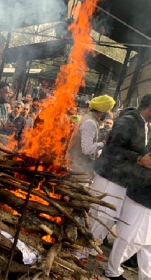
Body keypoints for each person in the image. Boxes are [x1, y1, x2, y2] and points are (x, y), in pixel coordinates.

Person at [94, 95, 151, 280]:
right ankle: (80, 252)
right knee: (100, 217)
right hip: (110, 177)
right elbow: (112, 149)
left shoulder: (143, 124)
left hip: (122, 180)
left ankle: (89, 249)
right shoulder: (129, 121)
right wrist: (138, 159)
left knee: (107, 218)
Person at [67, 95, 115, 175]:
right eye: (108, 111)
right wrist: (104, 143)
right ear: (102, 112)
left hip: (75, 164)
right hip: (78, 168)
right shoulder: (90, 122)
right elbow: (87, 150)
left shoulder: (88, 118)